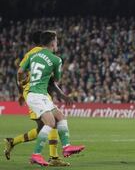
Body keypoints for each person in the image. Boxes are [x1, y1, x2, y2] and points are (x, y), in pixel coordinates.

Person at [4, 31, 72, 166]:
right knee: (50, 124)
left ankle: (13, 142)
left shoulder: (39, 53)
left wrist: (59, 94)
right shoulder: (35, 53)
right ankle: (53, 157)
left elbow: (49, 80)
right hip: (34, 92)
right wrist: (21, 92)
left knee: (46, 126)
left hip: (40, 93)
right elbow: (20, 73)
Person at [17, 31, 85, 166]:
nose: (57, 43)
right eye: (57, 41)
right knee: (50, 122)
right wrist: (61, 93)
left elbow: (20, 72)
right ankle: (36, 155)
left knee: (60, 116)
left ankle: (67, 147)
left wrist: (21, 86)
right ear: (53, 42)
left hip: (36, 94)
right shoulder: (56, 60)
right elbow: (55, 80)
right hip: (37, 95)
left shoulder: (33, 54)